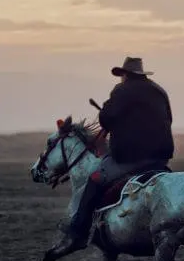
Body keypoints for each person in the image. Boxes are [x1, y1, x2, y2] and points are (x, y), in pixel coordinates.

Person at [65, 56, 175, 246]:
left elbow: (106, 118)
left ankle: (78, 229)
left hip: (131, 157)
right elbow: (169, 119)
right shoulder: (160, 91)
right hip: (161, 156)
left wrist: (109, 110)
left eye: (121, 75)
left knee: (95, 179)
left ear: (125, 74)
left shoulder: (122, 90)